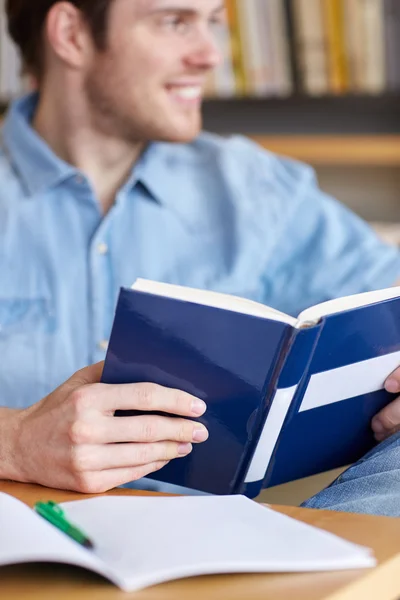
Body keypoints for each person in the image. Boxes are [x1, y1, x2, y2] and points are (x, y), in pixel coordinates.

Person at [1, 0, 400, 514]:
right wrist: (13, 443)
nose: (211, 55)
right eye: (175, 21)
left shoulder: (257, 189)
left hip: (216, 549)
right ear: (72, 34)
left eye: (212, 21)